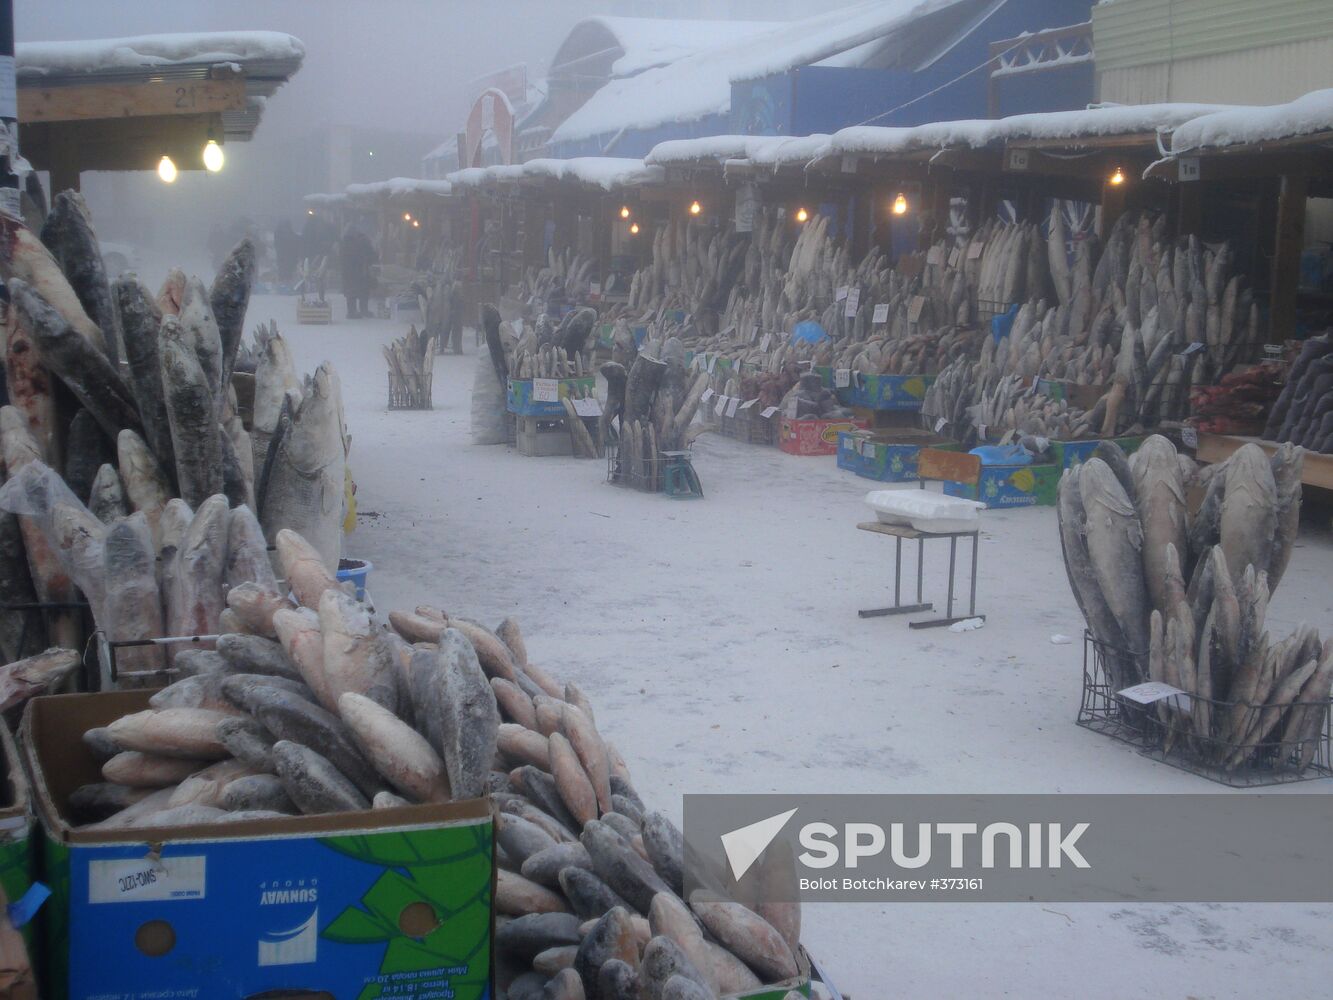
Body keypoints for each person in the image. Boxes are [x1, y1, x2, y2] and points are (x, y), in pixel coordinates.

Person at [339, 226, 376, 319]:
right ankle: (362, 310)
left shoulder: (344, 244)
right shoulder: (362, 242)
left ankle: (352, 311)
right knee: (363, 291)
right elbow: (370, 256)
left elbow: (341, 259)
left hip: (349, 272)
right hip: (360, 271)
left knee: (352, 292)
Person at [273, 220, 298, 285]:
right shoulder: (287, 233)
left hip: (285, 255)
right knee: (285, 269)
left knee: (285, 269)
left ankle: (285, 282)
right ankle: (284, 282)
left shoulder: (280, 233)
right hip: (286, 255)